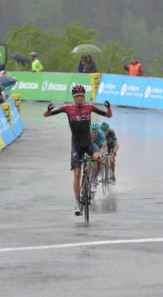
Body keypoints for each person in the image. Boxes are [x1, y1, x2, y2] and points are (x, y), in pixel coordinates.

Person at [43, 84, 112, 216]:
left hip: (88, 143)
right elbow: (46, 115)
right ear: (74, 97)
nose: (79, 98)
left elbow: (109, 116)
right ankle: (78, 203)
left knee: (100, 157)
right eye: (77, 96)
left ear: (84, 96)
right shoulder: (67, 108)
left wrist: (108, 108)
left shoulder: (89, 107)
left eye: (81, 95)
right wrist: (48, 109)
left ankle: (93, 180)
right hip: (76, 145)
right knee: (76, 174)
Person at [89, 122, 107, 190]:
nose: (94, 133)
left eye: (96, 132)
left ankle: (94, 177)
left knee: (100, 160)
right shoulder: (87, 134)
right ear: (90, 130)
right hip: (90, 148)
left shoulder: (101, 134)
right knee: (88, 164)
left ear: (98, 130)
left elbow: (105, 146)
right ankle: (86, 180)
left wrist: (104, 154)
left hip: (99, 148)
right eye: (93, 132)